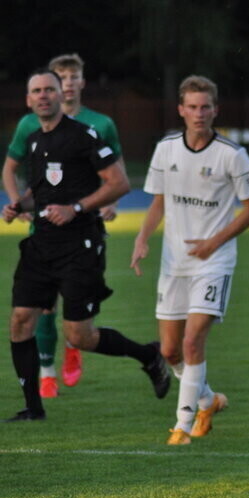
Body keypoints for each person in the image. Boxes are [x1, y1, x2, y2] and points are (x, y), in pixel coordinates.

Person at [2, 68, 169, 422]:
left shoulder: (84, 135)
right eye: (37, 91)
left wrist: (76, 208)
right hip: (41, 245)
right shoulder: (34, 139)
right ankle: (34, 408)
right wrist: (20, 205)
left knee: (79, 335)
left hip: (80, 246)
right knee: (20, 321)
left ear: (61, 94)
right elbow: (43, 191)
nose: (44, 96)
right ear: (29, 100)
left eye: (50, 89)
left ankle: (148, 356)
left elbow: (119, 183)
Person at [131, 75, 249, 445]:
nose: (199, 113)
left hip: (214, 262)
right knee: (170, 350)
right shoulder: (166, 149)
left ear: (215, 110)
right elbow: (158, 201)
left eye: (205, 107)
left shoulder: (232, 155)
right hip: (174, 263)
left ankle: (182, 427)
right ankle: (207, 400)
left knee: (192, 344)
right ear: (181, 110)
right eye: (192, 107)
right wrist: (142, 240)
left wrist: (212, 243)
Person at [3, 53, 125, 398]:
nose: (66, 84)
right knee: (40, 307)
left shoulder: (99, 125)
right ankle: (46, 371)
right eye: (61, 77)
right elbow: (12, 170)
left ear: (79, 84)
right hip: (42, 229)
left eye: (72, 78)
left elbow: (116, 173)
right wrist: (18, 204)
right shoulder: (30, 126)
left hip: (81, 228)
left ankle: (75, 345)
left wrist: (109, 201)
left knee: (72, 310)